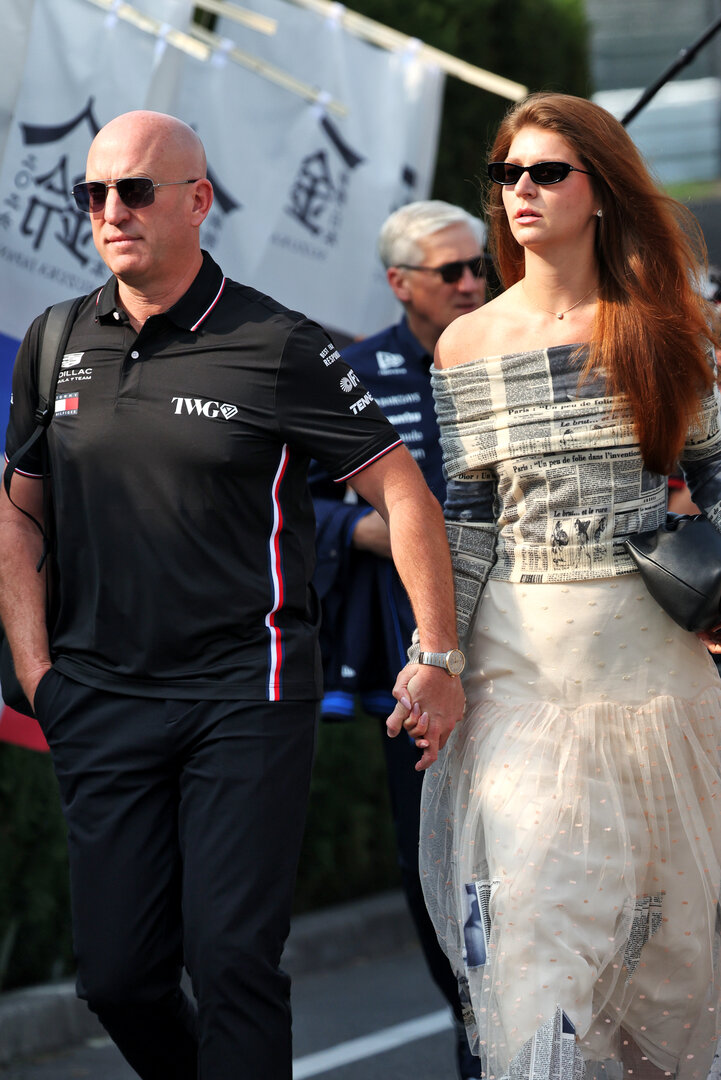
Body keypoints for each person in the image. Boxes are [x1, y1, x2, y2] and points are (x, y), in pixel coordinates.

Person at [0, 111, 465, 1080]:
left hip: (244, 697)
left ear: (198, 201)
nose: (110, 211)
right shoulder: (54, 340)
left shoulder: (277, 342)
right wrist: (39, 670)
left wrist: (437, 654)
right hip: (99, 697)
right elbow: (20, 513)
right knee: (121, 979)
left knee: (231, 962)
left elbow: (401, 492)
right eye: (93, 194)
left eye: (134, 190)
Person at [393, 92, 721, 1080]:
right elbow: (468, 518)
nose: (520, 192)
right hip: (521, 677)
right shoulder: (465, 344)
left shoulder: (666, 326)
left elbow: (714, 475)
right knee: (537, 959)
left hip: (657, 674)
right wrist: (435, 655)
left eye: (546, 172)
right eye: (506, 175)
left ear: (601, 190)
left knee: (668, 976)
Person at [310, 199, 485, 1079]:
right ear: (399, 283)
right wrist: (363, 534)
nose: (471, 283)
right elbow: (282, 505)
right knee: (438, 884)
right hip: (407, 676)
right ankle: (471, 1038)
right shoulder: (355, 372)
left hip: (523, 665)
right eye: (450, 271)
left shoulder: (510, 345)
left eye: (477, 267)